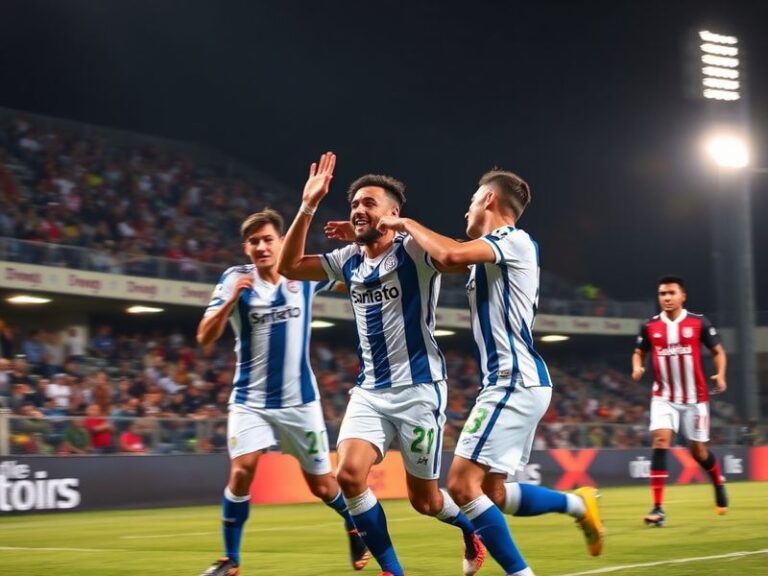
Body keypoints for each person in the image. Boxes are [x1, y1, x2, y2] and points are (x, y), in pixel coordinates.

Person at [324, 168, 606, 576]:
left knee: (460, 485)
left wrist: (401, 223)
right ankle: (579, 504)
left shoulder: (514, 240)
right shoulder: (491, 248)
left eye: (473, 200)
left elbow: (449, 255)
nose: (466, 209)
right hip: (511, 382)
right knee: (490, 492)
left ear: (489, 200)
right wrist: (369, 238)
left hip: (515, 380)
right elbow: (446, 252)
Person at [278, 153, 485, 576]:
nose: (358, 210)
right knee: (349, 476)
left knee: (425, 502)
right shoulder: (348, 259)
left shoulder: (414, 252)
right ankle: (393, 570)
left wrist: (406, 227)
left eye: (369, 203)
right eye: (354, 204)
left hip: (419, 391)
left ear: (392, 213)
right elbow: (288, 266)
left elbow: (453, 255)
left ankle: (469, 531)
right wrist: (308, 205)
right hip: (370, 392)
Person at [196, 208, 369, 576]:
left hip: (298, 402)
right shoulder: (233, 279)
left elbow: (354, 264)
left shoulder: (301, 275)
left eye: (268, 239)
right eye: (254, 241)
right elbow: (204, 336)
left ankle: (353, 524)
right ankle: (231, 560)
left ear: (281, 242)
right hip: (250, 401)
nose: (262, 246)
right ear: (246, 248)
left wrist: (354, 238)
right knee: (242, 472)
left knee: (323, 487)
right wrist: (230, 302)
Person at [631, 275, 728, 527]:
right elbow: (639, 351)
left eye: (671, 293)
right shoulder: (650, 326)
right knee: (661, 440)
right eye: (662, 293)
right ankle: (658, 509)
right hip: (663, 396)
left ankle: (717, 481)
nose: (667, 297)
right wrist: (637, 366)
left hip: (695, 399)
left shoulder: (698, 322)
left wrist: (720, 374)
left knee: (698, 451)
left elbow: (718, 351)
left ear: (682, 296)